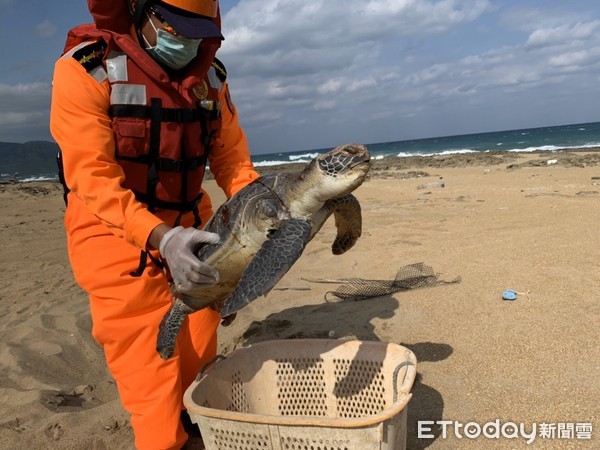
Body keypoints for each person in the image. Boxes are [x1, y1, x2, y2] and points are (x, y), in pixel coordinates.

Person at [49, 1, 260, 448]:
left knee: (200, 350)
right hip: (112, 232)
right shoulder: (87, 70)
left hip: (194, 221)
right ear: (139, 10)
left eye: (196, 32)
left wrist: (262, 215)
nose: (185, 41)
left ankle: (196, 426)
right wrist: (161, 239)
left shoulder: (211, 77)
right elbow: (91, 177)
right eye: (172, 27)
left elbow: (234, 164)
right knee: (150, 369)